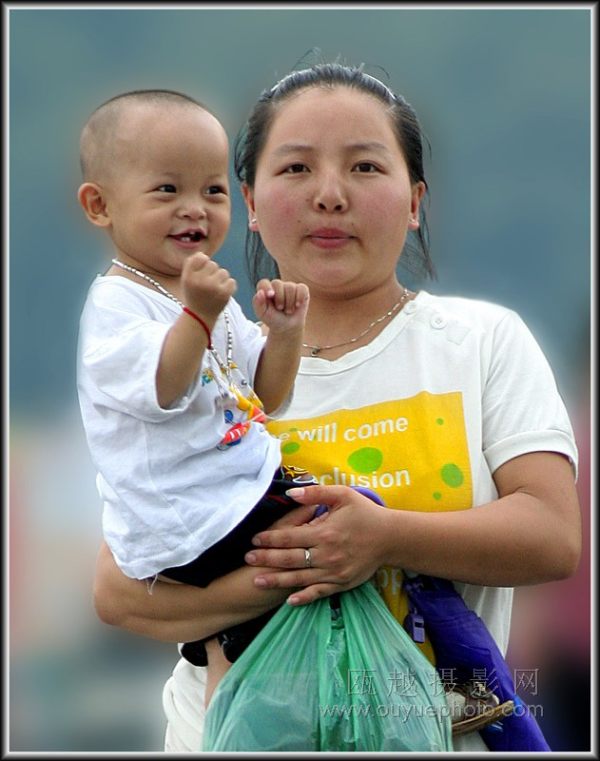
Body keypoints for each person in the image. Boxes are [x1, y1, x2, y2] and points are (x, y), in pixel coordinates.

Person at [92, 64, 582, 752]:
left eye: (365, 167)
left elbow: (552, 535)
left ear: (414, 201)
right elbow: (119, 592)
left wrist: (385, 537)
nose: (329, 195)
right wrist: (309, 568)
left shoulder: (480, 342)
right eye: (295, 168)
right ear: (249, 201)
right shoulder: (203, 362)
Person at [76, 89, 311, 698]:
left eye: (213, 191)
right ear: (100, 206)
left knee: (344, 537)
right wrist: (199, 315)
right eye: (166, 190)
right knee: (339, 534)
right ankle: (465, 680)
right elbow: (165, 385)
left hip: (235, 495)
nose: (195, 210)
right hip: (191, 518)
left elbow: (266, 395)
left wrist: (285, 332)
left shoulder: (205, 294)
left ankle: (230, 661)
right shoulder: (118, 306)